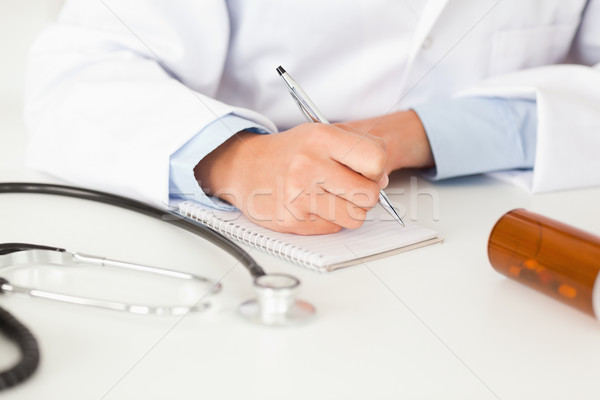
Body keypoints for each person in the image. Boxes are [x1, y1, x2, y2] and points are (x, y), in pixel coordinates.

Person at [24, 0, 600, 235]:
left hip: (491, 221)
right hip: (234, 234)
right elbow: (76, 74)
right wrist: (237, 159)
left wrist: (408, 136)